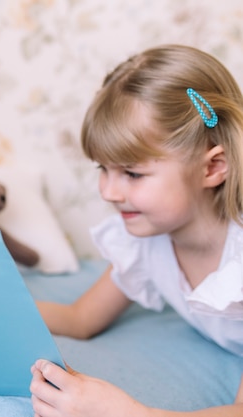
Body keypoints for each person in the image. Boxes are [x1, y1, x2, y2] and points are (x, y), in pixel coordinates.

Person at [30, 44, 243, 417]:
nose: (108, 192)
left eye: (132, 173)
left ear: (212, 168)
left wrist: (126, 412)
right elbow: (80, 318)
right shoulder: (148, 240)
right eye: (103, 169)